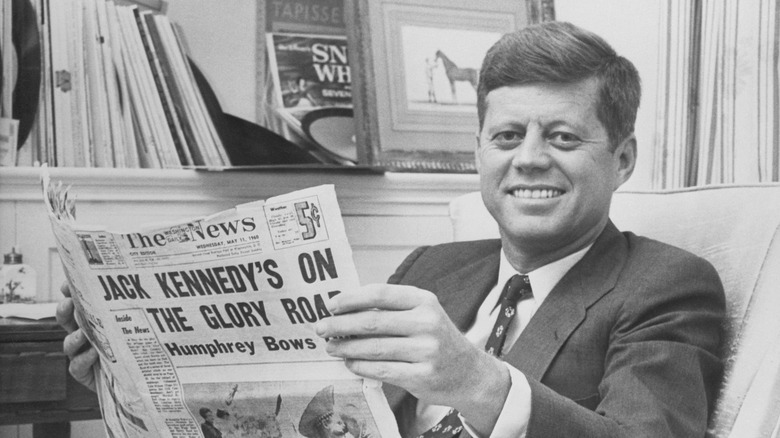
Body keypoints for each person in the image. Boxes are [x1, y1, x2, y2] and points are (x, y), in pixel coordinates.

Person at [57, 21, 725, 438]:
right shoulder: (431, 267)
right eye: (507, 136)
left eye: (563, 137)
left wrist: (479, 383)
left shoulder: (666, 283)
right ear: (479, 154)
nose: (528, 158)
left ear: (623, 159)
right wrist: (140, 385)